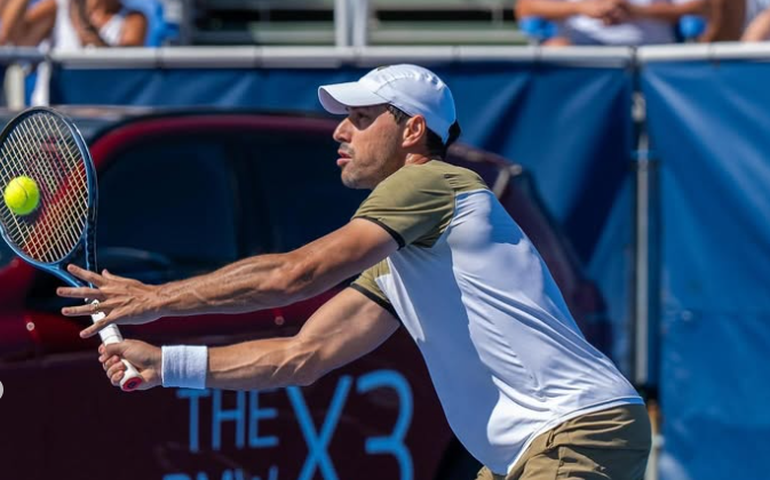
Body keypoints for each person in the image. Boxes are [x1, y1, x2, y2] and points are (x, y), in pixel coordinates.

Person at [57, 64, 652, 480]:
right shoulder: (405, 255)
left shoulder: (431, 182)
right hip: (526, 454)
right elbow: (304, 355)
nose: (340, 130)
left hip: (574, 433)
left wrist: (157, 299)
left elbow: (298, 273)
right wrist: (165, 364)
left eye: (362, 117)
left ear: (412, 130)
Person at [515, 0, 710, 45]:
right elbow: (526, 8)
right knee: (556, 47)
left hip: (652, 64)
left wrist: (639, 12)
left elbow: (698, 7)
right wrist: (579, 8)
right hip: (579, 59)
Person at [0, 0, 147, 48]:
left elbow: (125, 69)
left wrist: (84, 27)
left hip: (104, 116)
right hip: (50, 117)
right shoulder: (57, 7)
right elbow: (17, 38)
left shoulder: (134, 19)